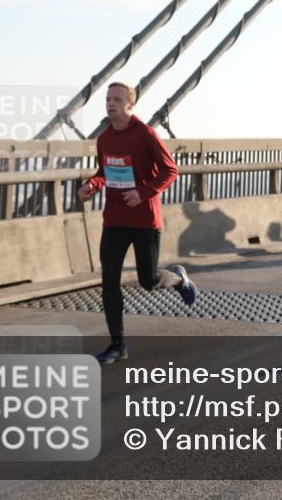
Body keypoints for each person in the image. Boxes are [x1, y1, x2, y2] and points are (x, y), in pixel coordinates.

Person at [80, 82, 197, 365]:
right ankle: (117, 345)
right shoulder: (104, 139)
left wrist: (143, 193)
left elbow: (171, 170)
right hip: (114, 219)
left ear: (130, 105)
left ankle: (178, 278)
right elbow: (105, 172)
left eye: (117, 99)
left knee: (148, 280)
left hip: (144, 220)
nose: (111, 103)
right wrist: (92, 184)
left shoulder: (145, 134)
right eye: (108, 99)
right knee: (109, 281)